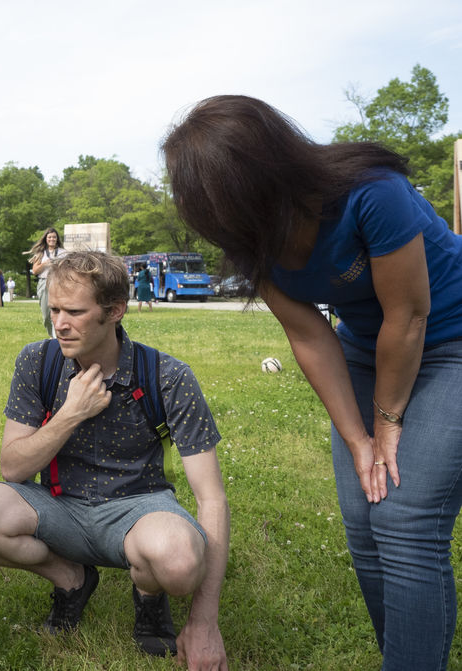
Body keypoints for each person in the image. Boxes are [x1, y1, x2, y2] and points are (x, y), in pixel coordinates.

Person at [162, 94, 462, 671]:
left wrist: (387, 422)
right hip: (366, 348)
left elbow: (409, 317)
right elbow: (312, 337)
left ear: (263, 174)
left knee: (405, 520)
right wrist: (357, 439)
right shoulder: (254, 241)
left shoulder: (372, 191)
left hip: (450, 336)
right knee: (365, 521)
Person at [0, 250, 229, 668]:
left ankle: (149, 596)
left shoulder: (168, 377)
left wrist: (205, 622)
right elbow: (13, 467)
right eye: (55, 309)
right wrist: (71, 413)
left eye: (75, 312)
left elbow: (211, 499)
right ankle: (72, 580)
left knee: (180, 561)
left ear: (115, 311)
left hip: (141, 508)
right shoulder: (38, 361)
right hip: (60, 507)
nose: (59, 323)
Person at [27, 227, 65, 336]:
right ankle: (51, 335)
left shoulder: (63, 253)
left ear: (57, 239)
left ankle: (56, 337)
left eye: (54, 237)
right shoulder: (41, 253)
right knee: (46, 315)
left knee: (59, 311)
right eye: (49, 237)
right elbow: (34, 271)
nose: (52, 239)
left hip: (59, 282)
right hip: (44, 283)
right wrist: (45, 264)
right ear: (46, 239)